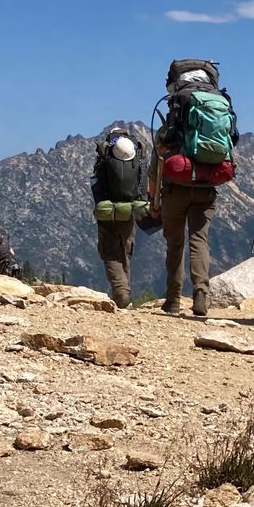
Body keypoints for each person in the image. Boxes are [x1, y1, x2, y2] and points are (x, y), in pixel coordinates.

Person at [153, 60, 236, 317]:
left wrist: (154, 196)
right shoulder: (219, 103)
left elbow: (160, 151)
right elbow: (232, 140)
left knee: (175, 244)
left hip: (177, 186)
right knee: (199, 240)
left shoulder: (177, 108)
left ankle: (173, 300)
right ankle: (201, 294)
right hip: (207, 183)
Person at [90, 127, 148, 308]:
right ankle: (124, 291)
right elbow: (142, 184)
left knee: (110, 252)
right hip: (130, 210)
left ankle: (120, 291)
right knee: (125, 250)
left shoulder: (106, 154)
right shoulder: (136, 156)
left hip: (107, 210)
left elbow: (96, 182)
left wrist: (99, 201)